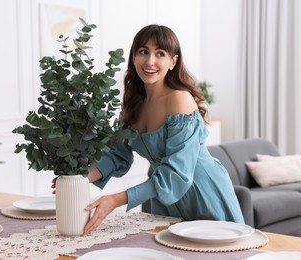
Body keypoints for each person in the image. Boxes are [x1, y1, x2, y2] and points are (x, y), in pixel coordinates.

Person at [53, 24, 244, 235]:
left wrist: (116, 199)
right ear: (134, 58)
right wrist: (80, 178)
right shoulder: (132, 103)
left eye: (160, 54)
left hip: (204, 191)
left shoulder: (179, 99)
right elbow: (118, 154)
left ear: (173, 62)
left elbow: (177, 174)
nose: (150, 61)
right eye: (143, 52)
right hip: (164, 196)